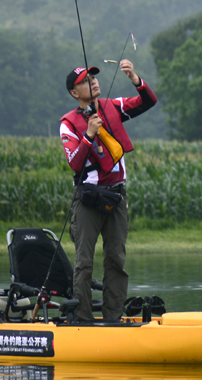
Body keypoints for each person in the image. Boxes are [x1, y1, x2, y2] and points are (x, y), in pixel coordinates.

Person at [59, 60, 157, 323]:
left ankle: (113, 318)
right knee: (84, 263)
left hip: (117, 197)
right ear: (74, 93)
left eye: (93, 77)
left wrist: (135, 78)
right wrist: (89, 135)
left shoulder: (112, 106)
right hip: (88, 200)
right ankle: (82, 319)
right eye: (84, 81)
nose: (92, 81)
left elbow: (148, 101)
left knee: (116, 260)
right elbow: (74, 163)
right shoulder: (68, 123)